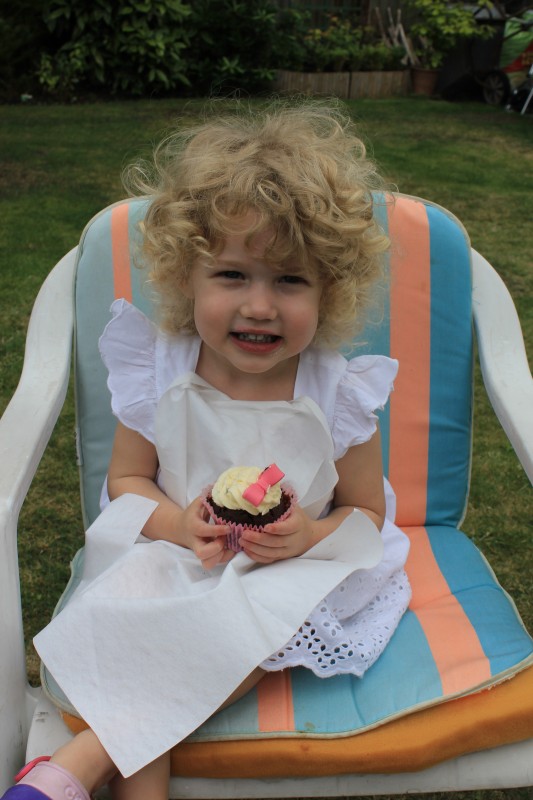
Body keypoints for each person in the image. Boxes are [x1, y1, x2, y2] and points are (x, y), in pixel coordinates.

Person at [4, 100, 411, 800]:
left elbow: (367, 514)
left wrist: (309, 533)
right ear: (184, 278)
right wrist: (176, 524)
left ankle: (83, 762)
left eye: (290, 280)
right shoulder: (158, 371)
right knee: (142, 619)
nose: (259, 306)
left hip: (294, 568)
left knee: (245, 625)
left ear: (329, 290)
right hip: (179, 552)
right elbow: (129, 479)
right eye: (231, 276)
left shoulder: (335, 391)